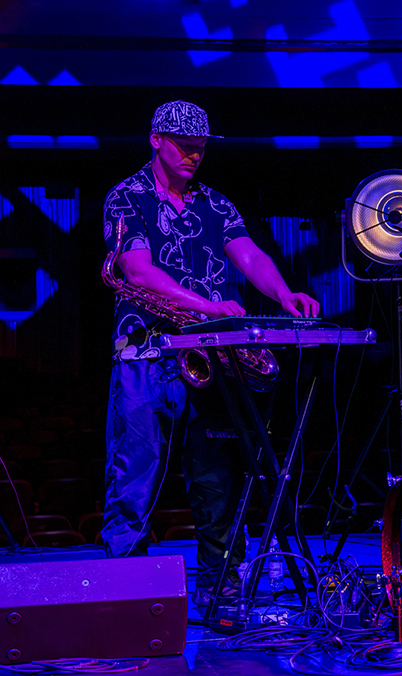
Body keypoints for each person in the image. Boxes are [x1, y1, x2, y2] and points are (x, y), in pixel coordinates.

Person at [101, 99, 319, 606]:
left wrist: (283, 293)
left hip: (210, 357)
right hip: (145, 354)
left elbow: (251, 256)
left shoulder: (216, 204)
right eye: (184, 146)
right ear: (156, 140)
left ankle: (219, 588)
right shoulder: (126, 197)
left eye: (200, 147)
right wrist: (208, 307)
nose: (194, 155)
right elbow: (137, 270)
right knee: (134, 475)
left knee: (217, 477)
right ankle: (126, 594)